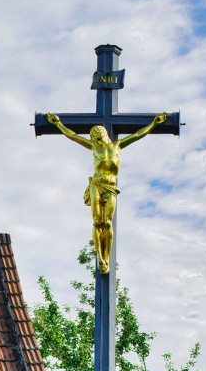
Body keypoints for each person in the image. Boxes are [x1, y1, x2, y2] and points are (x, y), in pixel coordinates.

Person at [47, 112, 167, 274]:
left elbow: (138, 135)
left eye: (99, 132)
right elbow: (74, 136)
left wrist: (153, 124)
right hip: (96, 184)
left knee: (108, 223)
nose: (97, 136)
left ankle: (106, 257)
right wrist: (58, 124)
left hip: (110, 187)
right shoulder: (94, 147)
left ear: (105, 133)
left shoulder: (117, 146)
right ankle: (100, 257)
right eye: (94, 134)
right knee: (97, 221)